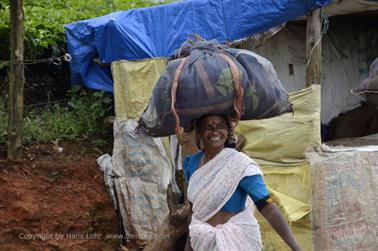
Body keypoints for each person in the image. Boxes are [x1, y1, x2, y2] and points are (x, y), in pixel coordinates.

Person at [183, 114, 302, 251]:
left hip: (236, 241)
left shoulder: (240, 165)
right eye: (207, 127)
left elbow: (267, 207)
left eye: (220, 126)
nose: (214, 131)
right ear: (199, 133)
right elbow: (195, 214)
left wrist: (296, 248)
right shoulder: (190, 164)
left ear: (228, 131)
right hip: (202, 241)